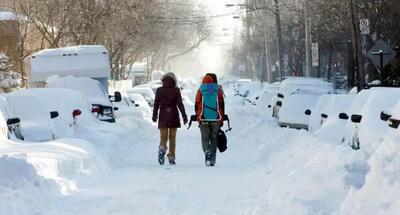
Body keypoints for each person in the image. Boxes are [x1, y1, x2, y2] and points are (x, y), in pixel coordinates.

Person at [152, 72, 188, 165]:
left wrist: (154, 115)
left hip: (163, 115)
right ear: (174, 80)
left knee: (163, 137)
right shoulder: (176, 90)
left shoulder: (159, 90)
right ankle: (171, 157)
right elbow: (180, 104)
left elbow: (156, 104)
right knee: (172, 138)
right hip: (173, 116)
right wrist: (184, 116)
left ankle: (162, 148)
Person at [195, 74, 225, 166]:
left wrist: (198, 116)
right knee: (214, 138)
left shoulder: (201, 89)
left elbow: (197, 103)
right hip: (216, 118)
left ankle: (207, 152)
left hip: (203, 117)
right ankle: (212, 161)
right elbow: (221, 104)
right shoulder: (217, 89)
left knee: (205, 138)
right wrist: (222, 119)